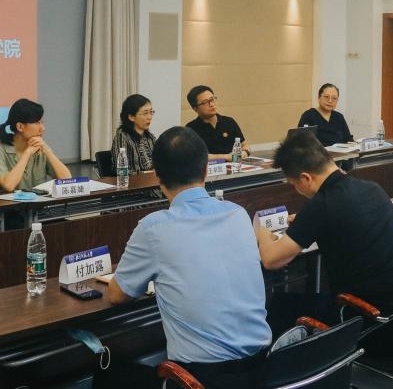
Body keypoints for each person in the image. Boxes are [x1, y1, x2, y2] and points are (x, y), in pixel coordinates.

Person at [106, 127, 271, 388]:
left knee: (109, 374)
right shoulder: (238, 213)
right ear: (206, 170)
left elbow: (117, 295)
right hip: (262, 369)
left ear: (157, 176)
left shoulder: (154, 228)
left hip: (199, 379)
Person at [256, 130, 393, 333]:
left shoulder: (321, 206)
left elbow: (271, 260)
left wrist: (261, 231)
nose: (296, 190)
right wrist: (304, 221)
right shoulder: (372, 189)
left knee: (280, 305)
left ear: (305, 178)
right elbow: (343, 216)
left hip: (372, 320)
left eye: (294, 184)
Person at [0, 98, 71, 193]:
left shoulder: (41, 147)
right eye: (37, 123)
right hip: (6, 202)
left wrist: (48, 151)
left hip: (38, 202)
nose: (43, 128)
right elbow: (9, 185)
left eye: (42, 122)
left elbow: (67, 180)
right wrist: (27, 153)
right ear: (20, 127)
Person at [185, 85, 249, 161]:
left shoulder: (229, 122)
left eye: (212, 99)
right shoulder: (190, 129)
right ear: (195, 108)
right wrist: (227, 157)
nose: (211, 104)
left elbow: (244, 144)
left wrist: (245, 152)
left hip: (234, 165)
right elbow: (196, 156)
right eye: (205, 102)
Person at [296, 83, 353, 147]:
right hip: (318, 153)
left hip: (340, 153)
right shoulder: (308, 116)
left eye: (334, 98)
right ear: (319, 97)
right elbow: (302, 143)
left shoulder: (339, 117)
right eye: (326, 97)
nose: (330, 101)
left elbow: (348, 140)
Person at [111, 94, 157, 173]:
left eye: (151, 112)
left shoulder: (150, 137)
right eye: (145, 113)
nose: (149, 117)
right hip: (132, 181)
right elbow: (121, 171)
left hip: (152, 179)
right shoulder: (122, 136)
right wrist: (146, 173)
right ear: (131, 117)